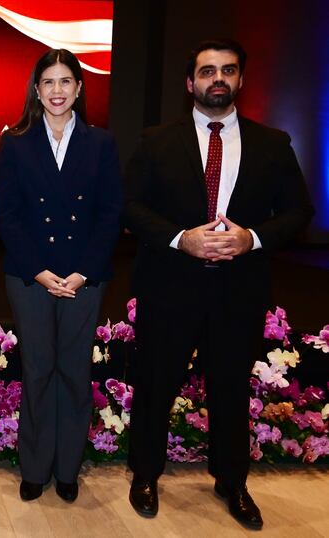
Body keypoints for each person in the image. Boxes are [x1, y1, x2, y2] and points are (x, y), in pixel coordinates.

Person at [124, 39, 313, 529]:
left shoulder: (273, 144)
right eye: (207, 71)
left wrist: (252, 239)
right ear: (190, 82)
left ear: (240, 79)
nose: (218, 79)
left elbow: (298, 211)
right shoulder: (155, 141)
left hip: (238, 290)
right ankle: (145, 473)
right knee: (155, 385)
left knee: (230, 389)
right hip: (170, 286)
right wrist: (179, 238)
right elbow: (131, 206)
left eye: (227, 70)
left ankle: (232, 482)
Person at [0, 49, 123, 502]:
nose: (56, 90)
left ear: (79, 88)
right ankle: (34, 467)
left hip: (83, 279)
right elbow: (7, 215)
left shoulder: (101, 143)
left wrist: (83, 272)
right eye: (48, 82)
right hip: (31, 277)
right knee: (37, 371)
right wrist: (40, 271)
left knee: (73, 371)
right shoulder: (15, 142)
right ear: (36, 90)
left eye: (65, 81)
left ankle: (67, 468)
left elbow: (110, 214)